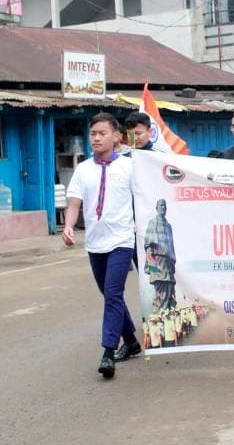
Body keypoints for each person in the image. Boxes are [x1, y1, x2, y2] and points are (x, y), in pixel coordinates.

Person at [63, 113, 141, 378]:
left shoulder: (130, 168)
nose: (96, 138)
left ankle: (109, 351)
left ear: (117, 137)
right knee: (109, 295)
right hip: (95, 244)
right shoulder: (83, 169)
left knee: (113, 293)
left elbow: (144, 197)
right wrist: (69, 226)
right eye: (93, 133)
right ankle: (130, 341)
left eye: (102, 133)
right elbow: (74, 203)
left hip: (122, 240)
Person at [144, 199, 177, 313]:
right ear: (156, 208)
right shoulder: (152, 223)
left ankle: (167, 313)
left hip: (168, 262)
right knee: (159, 287)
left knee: (169, 288)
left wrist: (173, 261)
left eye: (165, 206)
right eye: (161, 205)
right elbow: (148, 245)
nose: (163, 208)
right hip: (157, 259)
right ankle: (159, 315)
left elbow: (171, 245)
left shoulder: (168, 226)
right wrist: (152, 266)